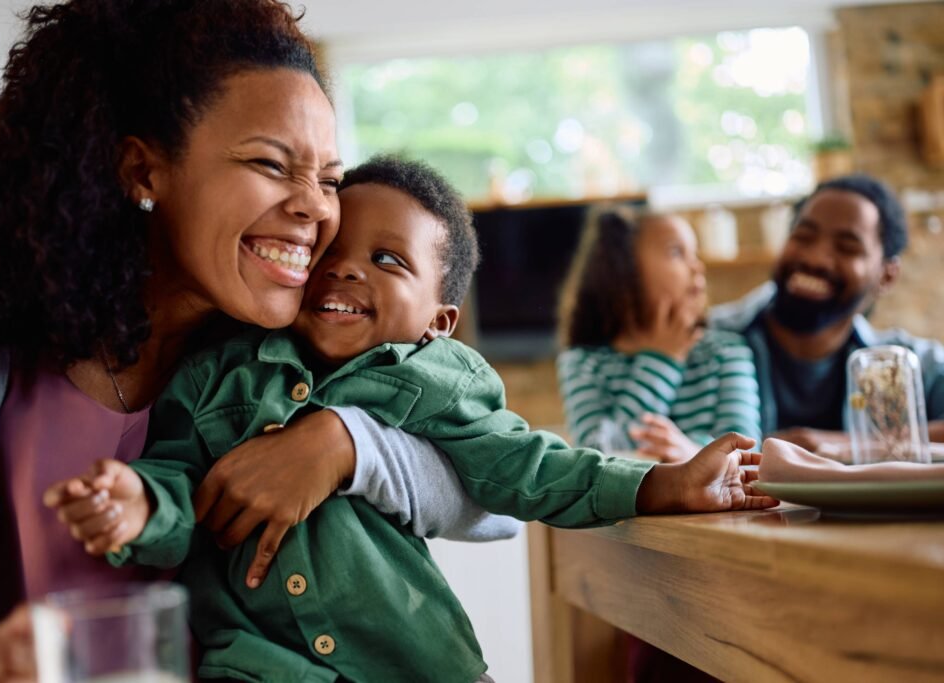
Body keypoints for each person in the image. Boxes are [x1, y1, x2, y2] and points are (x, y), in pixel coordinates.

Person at [0, 3, 513, 680]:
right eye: (271, 162)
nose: (318, 208)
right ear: (144, 171)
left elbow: (496, 500)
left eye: (327, 179)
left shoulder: (288, 360)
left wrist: (343, 444)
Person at [50, 155, 776, 683]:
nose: (346, 268)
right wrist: (139, 505)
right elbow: (178, 479)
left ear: (440, 319)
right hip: (257, 666)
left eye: (388, 259)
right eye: (331, 251)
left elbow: (532, 469)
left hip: (417, 660)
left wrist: (663, 483)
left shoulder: (437, 381)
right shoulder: (218, 372)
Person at [708, 174, 944, 451]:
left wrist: (848, 445)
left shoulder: (911, 365)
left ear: (886, 276)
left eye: (847, 247)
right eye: (803, 236)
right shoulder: (705, 340)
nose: (814, 258)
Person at [555, 208, 762, 463]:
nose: (697, 266)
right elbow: (595, 457)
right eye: (676, 252)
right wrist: (663, 360)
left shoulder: (728, 351)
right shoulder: (582, 362)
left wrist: (690, 454)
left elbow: (747, 454)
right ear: (622, 271)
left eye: (694, 253)